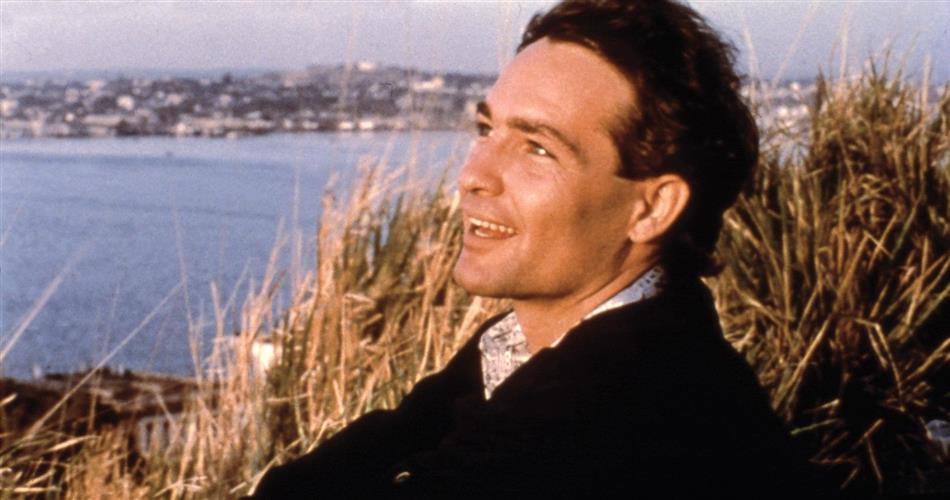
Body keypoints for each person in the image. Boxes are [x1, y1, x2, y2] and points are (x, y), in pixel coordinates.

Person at [249, 0, 822, 497]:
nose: (473, 175)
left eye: (538, 149)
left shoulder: (629, 426)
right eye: (486, 131)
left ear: (652, 208)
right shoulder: (523, 348)